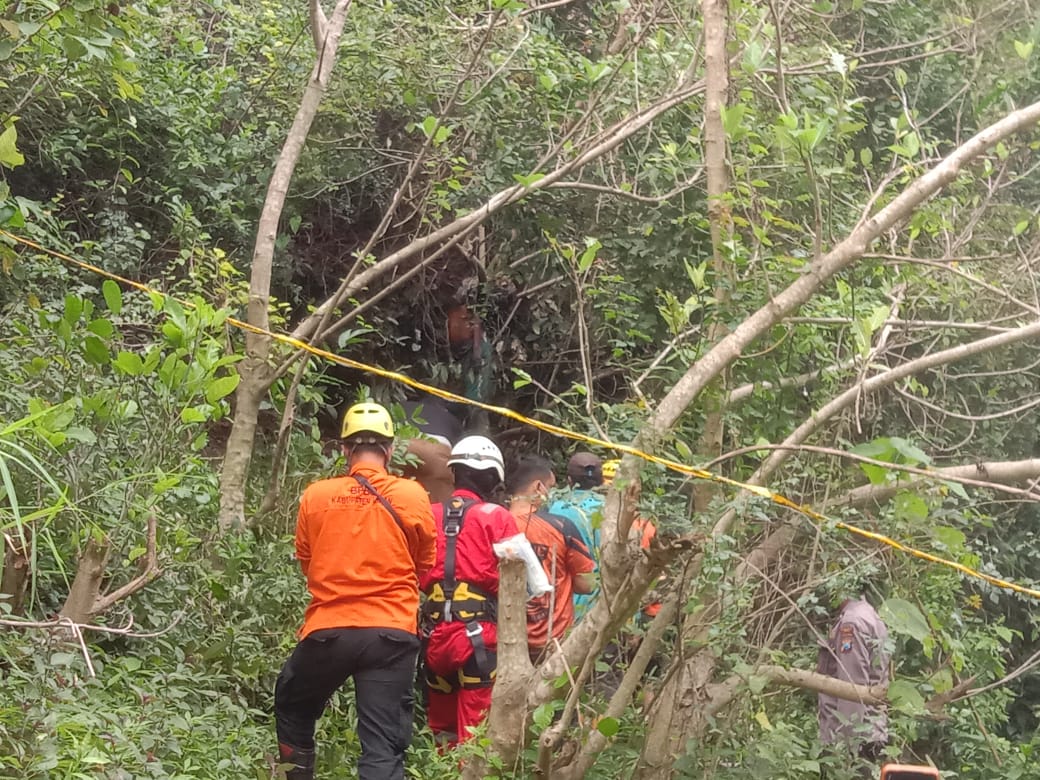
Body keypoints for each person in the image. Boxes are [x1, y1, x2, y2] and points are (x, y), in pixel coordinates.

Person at [275, 402, 437, 780]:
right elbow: (423, 565)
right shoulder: (413, 495)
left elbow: (307, 561)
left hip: (328, 629)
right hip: (391, 633)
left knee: (293, 706)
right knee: (382, 745)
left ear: (344, 449)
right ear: (390, 449)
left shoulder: (317, 495)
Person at [420, 435, 519, 747]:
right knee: (476, 734)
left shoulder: (428, 513)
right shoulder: (497, 517)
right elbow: (527, 580)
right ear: (493, 479)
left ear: (454, 473)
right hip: (480, 638)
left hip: (434, 639)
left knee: (443, 730)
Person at [507, 455, 596, 662]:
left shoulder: (493, 523)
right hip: (552, 641)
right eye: (551, 487)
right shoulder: (560, 526)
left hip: (507, 639)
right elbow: (587, 584)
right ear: (539, 487)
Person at [817, 594, 891, 776]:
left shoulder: (852, 622)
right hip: (869, 735)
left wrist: (847, 749)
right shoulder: (869, 614)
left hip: (855, 743)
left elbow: (852, 687)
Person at [546, 452, 605, 622]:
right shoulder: (617, 510)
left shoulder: (555, 509)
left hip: (569, 604)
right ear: (602, 481)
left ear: (569, 481)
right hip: (609, 603)